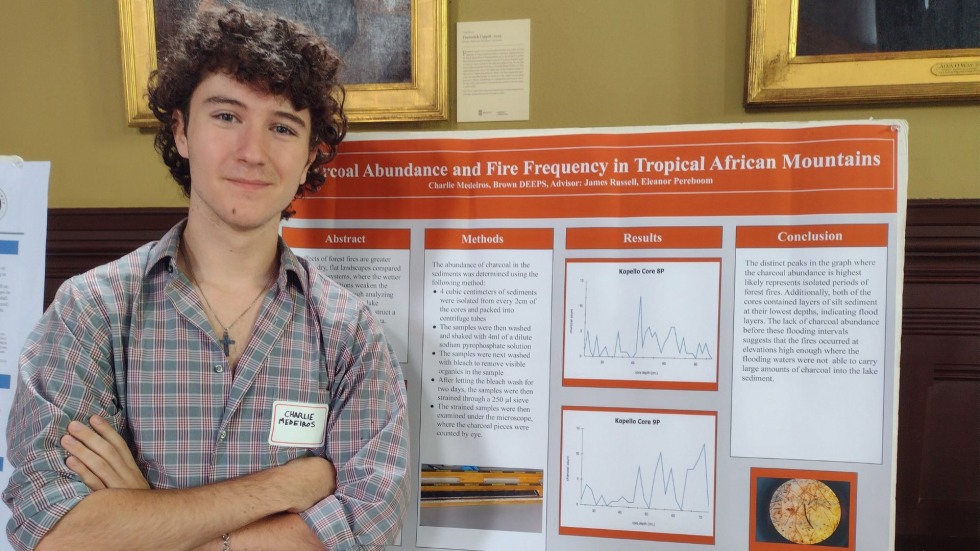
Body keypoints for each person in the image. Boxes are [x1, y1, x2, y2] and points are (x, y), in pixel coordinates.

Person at [3, 4, 408, 550]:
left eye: (282, 127)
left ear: (310, 157)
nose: (252, 152)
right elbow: (53, 532)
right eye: (225, 116)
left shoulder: (349, 336)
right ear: (182, 130)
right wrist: (288, 486)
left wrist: (144, 515)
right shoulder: (90, 314)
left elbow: (366, 528)